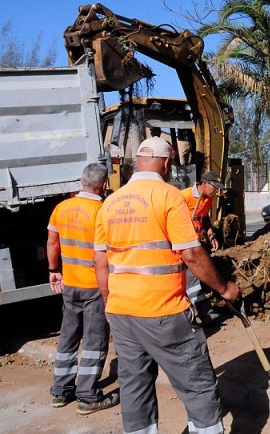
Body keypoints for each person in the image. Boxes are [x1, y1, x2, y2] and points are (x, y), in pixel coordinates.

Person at [94, 136, 240, 433]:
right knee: (196, 382)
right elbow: (191, 254)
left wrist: (108, 302)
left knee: (135, 385)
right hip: (163, 310)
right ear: (165, 163)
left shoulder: (110, 203)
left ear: (137, 161)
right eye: (170, 164)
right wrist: (225, 289)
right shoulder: (168, 196)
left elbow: (101, 261)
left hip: (122, 312)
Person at [47, 163, 120, 415]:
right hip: (94, 287)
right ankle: (88, 396)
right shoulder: (102, 211)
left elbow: (52, 242)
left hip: (70, 285)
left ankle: (61, 391)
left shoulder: (61, 209)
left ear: (81, 181)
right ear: (103, 186)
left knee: (67, 337)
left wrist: (53, 270)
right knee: (94, 340)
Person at [181, 171, 225, 325]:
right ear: (204, 183)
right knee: (192, 280)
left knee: (191, 280)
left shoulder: (208, 198)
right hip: (183, 246)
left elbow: (204, 217)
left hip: (196, 243)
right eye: (214, 186)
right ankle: (205, 313)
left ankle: (198, 314)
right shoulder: (184, 197)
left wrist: (211, 234)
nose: (216, 190)